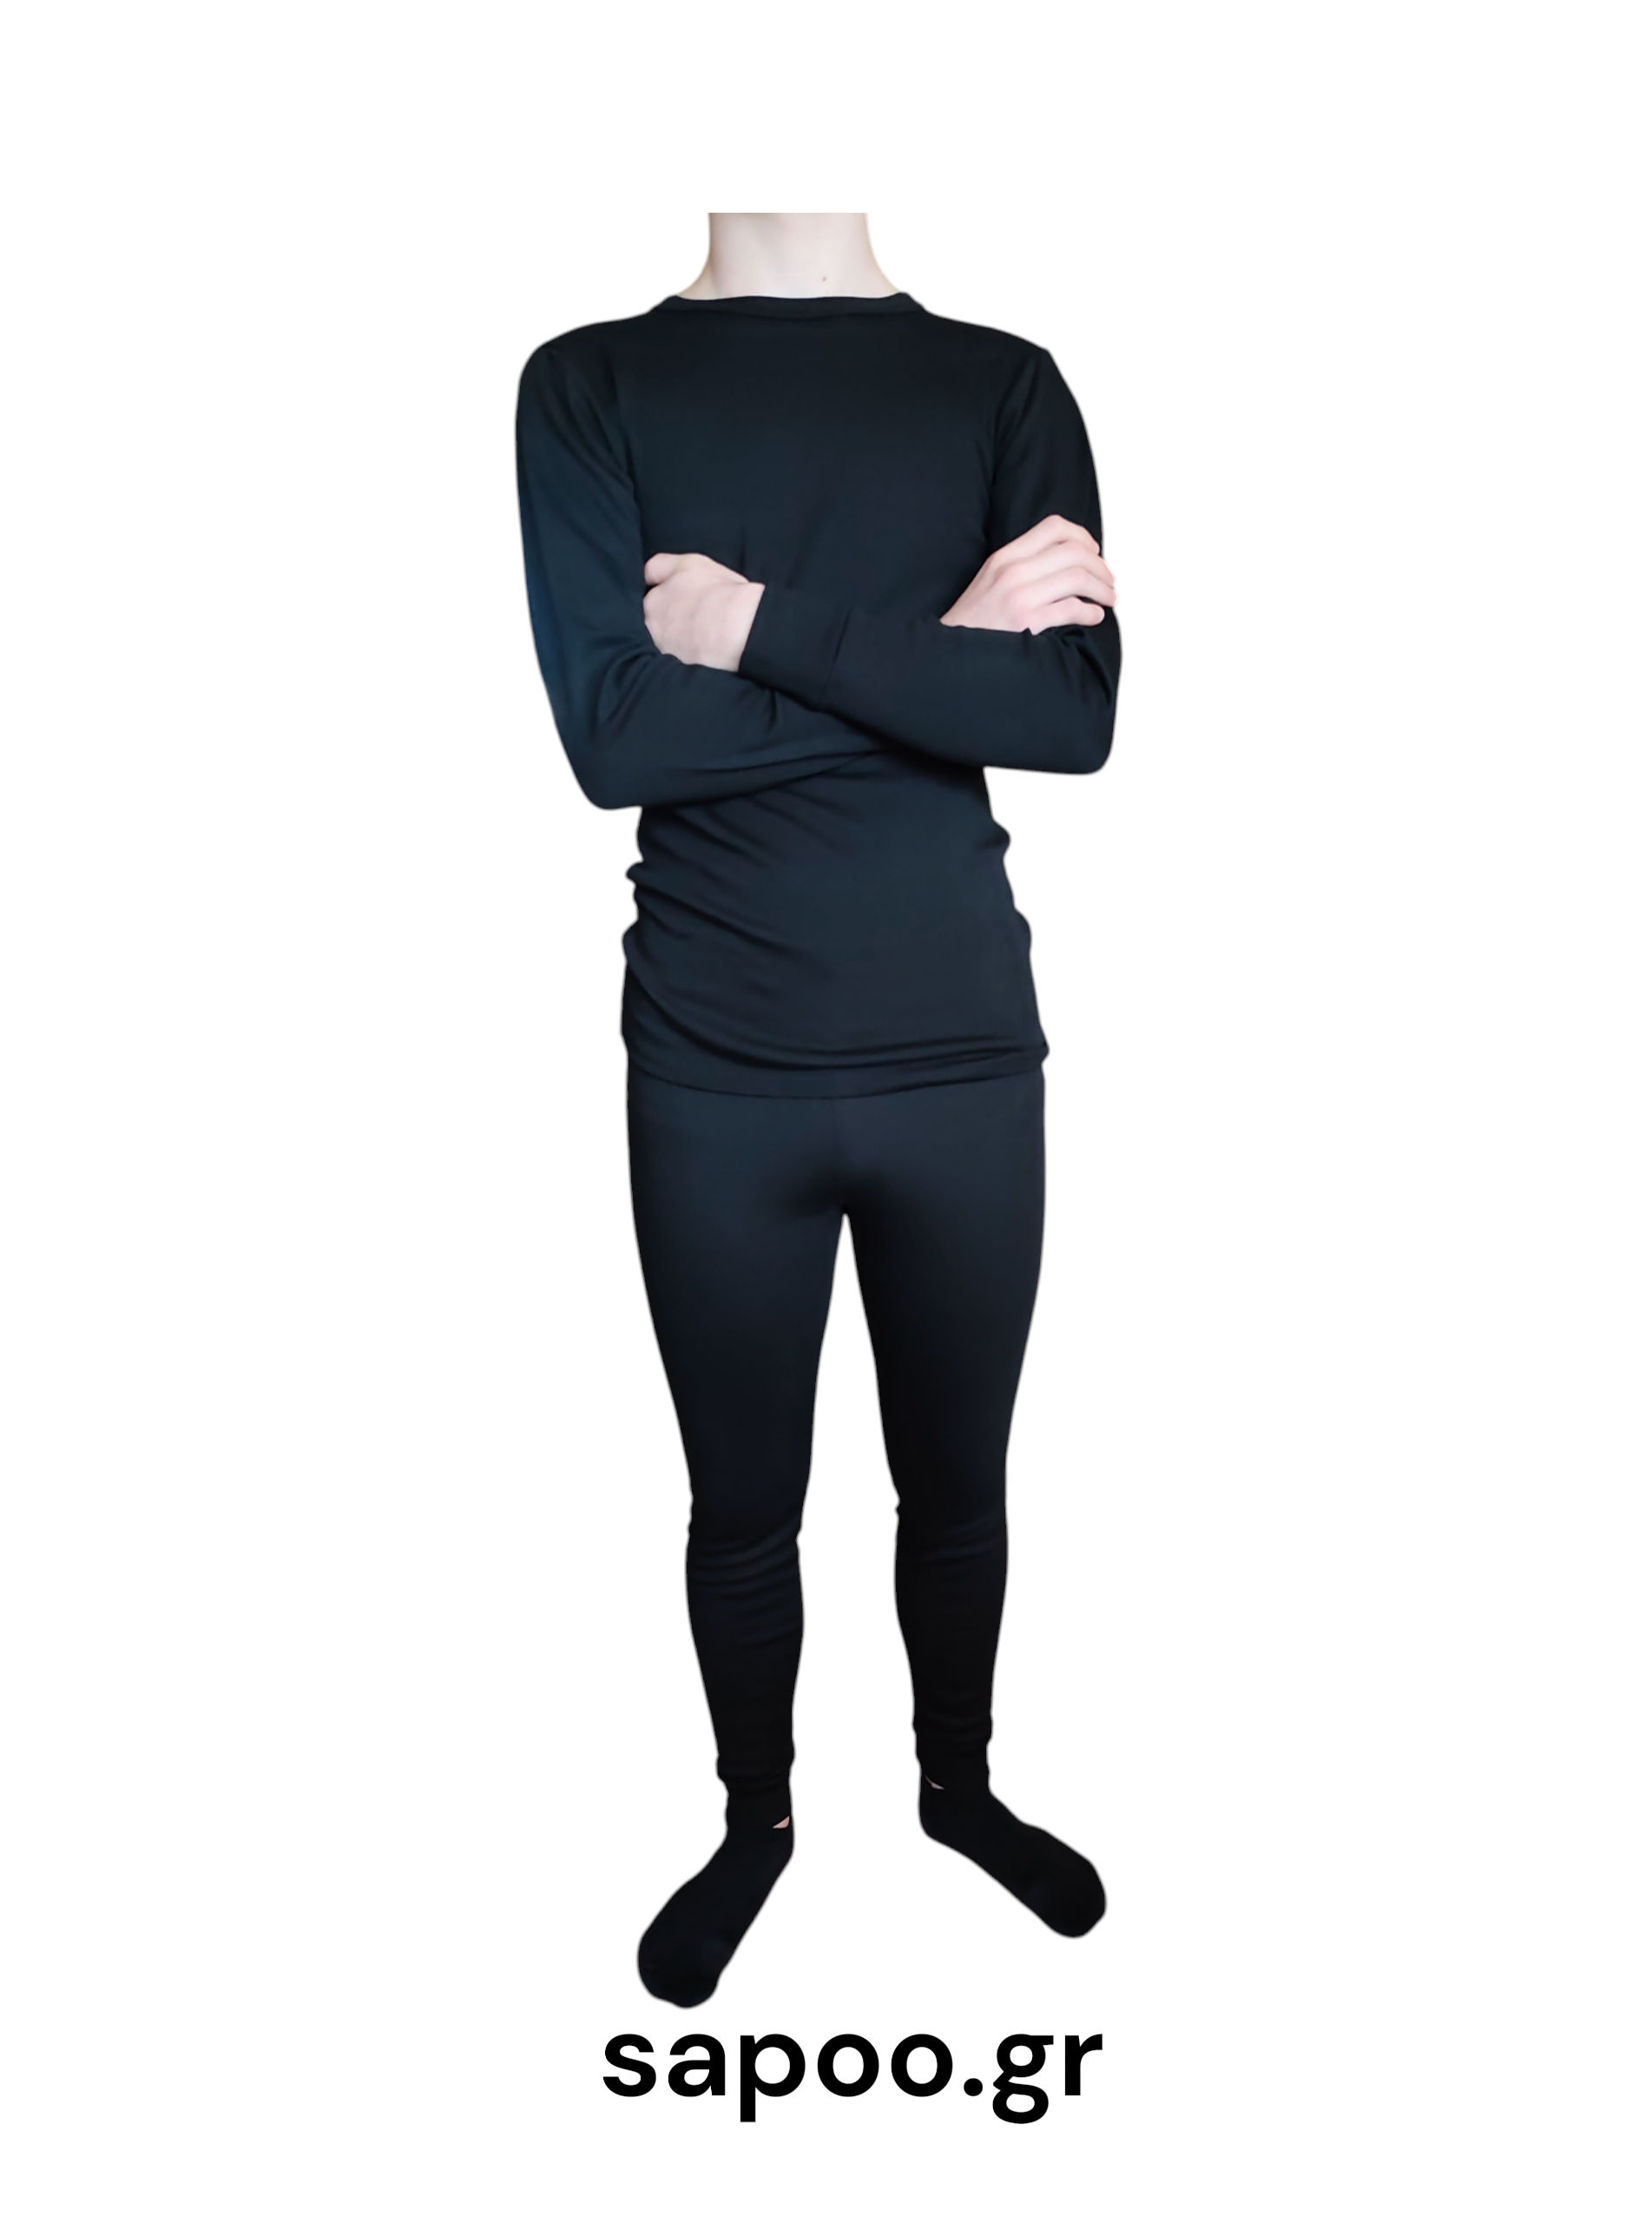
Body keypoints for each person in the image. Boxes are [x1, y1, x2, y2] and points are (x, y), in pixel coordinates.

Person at [514, 213, 1121, 2009]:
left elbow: (1072, 718)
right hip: (717, 1064)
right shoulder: (591, 384)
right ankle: (756, 1822)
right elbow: (616, 740)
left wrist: (752, 627)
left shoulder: (1004, 387)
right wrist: (938, 647)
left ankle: (960, 1790)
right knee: (742, 1506)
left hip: (961, 1056)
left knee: (959, 1485)